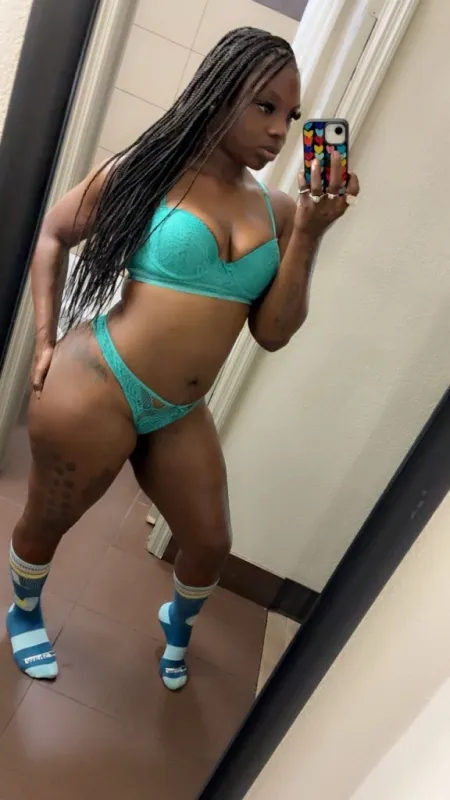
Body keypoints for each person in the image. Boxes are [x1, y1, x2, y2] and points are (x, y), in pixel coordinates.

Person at [6, 27, 359, 690]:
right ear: (219, 95)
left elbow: (273, 333)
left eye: (292, 116)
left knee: (209, 542)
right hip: (99, 382)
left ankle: (177, 618)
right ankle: (23, 612)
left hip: (178, 409)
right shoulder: (148, 172)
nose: (279, 130)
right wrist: (45, 340)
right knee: (50, 518)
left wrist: (311, 234)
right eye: (264, 106)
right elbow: (55, 232)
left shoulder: (281, 211)